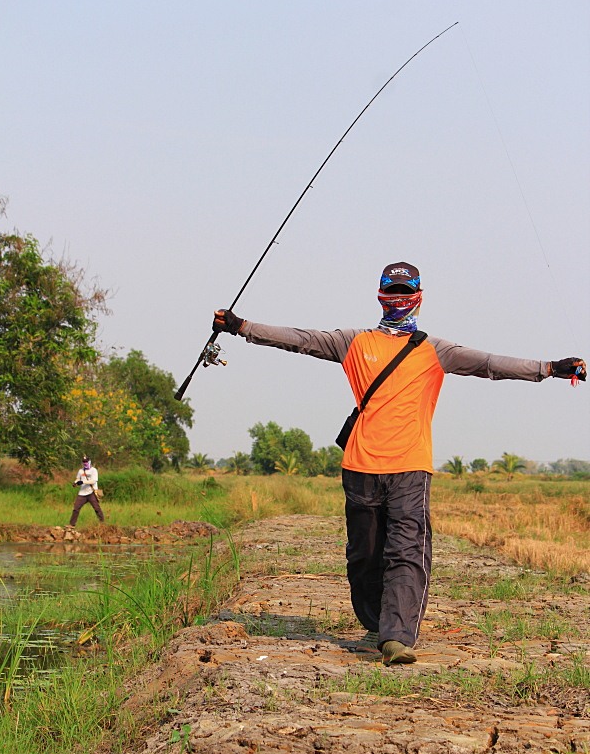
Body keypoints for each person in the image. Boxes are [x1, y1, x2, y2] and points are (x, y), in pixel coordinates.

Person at [213, 262, 586, 665]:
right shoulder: (353, 342)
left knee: (407, 551)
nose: (398, 300)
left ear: (419, 298)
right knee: (364, 555)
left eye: (405, 292)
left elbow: (490, 364)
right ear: (379, 297)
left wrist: (548, 369)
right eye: (392, 292)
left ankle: (397, 637)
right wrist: (242, 326)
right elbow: (301, 339)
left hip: (410, 467)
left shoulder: (435, 350)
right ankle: (377, 622)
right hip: (360, 467)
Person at [68, 455, 104, 527]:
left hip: (91, 492)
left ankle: (102, 523)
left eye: (86, 461)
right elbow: (78, 478)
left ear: (89, 461)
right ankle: (71, 525)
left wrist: (83, 482)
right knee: (76, 508)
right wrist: (75, 483)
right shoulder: (80, 471)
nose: (85, 463)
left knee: (96, 508)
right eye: (84, 462)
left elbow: (94, 481)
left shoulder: (94, 470)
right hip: (82, 493)